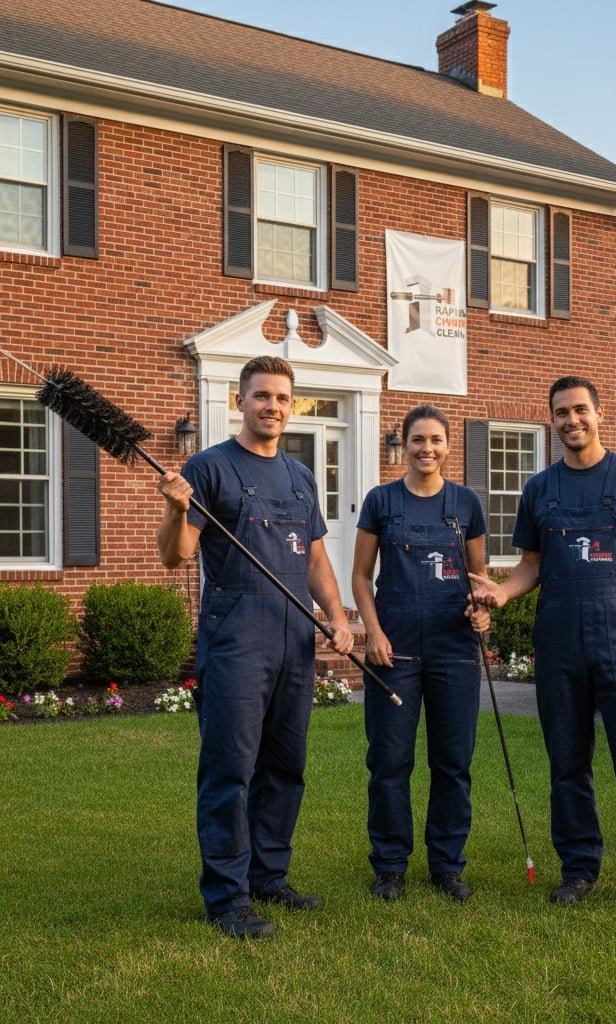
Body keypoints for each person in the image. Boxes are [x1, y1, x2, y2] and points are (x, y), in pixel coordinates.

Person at [470, 375, 616, 921]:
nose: (571, 421)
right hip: (559, 637)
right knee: (567, 762)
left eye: (579, 410)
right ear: (551, 421)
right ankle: (579, 869)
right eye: (560, 413)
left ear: (599, 414)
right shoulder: (538, 490)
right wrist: (501, 592)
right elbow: (531, 566)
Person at [156, 355, 354, 940]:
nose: (272, 406)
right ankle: (226, 897)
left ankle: (270, 876)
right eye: (261, 396)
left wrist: (338, 618)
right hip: (237, 637)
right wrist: (174, 508)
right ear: (238, 402)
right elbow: (176, 556)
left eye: (282, 398)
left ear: (293, 407)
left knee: (286, 767)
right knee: (230, 770)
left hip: (295, 640)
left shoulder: (300, 477)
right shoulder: (208, 468)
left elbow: (315, 557)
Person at [352, 405, 489, 903]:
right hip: (396, 653)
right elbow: (361, 577)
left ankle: (447, 864)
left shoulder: (467, 503)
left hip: (455, 651)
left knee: (452, 763)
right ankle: (389, 865)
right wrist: (374, 631)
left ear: (448, 446)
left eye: (435, 440)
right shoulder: (381, 501)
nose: (426, 449)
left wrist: (483, 612)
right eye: (417, 440)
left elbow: (480, 580)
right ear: (404, 445)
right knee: (389, 761)